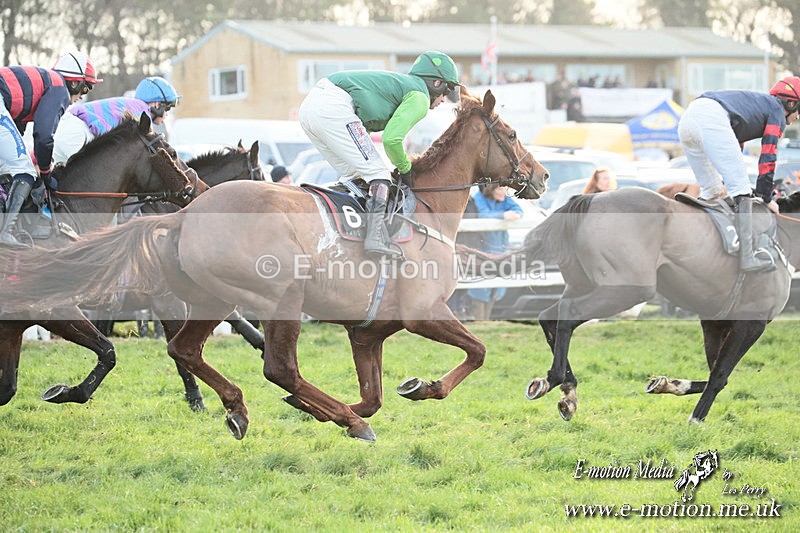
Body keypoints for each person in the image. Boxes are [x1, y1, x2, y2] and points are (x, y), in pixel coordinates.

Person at [298, 51, 460, 257]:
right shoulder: (420, 96)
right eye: (447, 90)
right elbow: (391, 140)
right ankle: (373, 239)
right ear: (436, 84)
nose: (444, 100)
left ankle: (344, 235)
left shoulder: (405, 86)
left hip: (310, 107)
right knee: (379, 174)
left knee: (355, 177)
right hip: (333, 106)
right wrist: (405, 167)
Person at [678, 76, 800, 272]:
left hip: (688, 119)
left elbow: (733, 148)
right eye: (798, 112)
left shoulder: (757, 106)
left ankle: (701, 247)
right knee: (740, 189)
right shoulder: (777, 111)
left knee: (712, 191)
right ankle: (748, 257)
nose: (796, 118)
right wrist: (766, 197)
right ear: (791, 103)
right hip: (710, 117)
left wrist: (736, 183)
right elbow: (768, 155)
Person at [0, 51, 102, 248]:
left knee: (7, 170)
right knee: (25, 171)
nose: (82, 96)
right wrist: (45, 172)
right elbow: (44, 136)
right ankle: (5, 233)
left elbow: (18, 134)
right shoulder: (59, 88)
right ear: (74, 82)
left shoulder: (40, 87)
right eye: (86, 87)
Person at [53, 76, 180, 164]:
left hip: (71, 129)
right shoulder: (141, 112)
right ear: (157, 104)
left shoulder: (135, 106)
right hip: (78, 133)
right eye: (167, 108)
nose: (167, 114)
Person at [466, 184, 523, 320]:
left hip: (500, 249)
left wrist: (514, 215)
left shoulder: (505, 199)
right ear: (490, 189)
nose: (503, 192)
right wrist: (503, 215)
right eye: (499, 189)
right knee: (479, 287)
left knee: (495, 288)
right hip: (482, 249)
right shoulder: (479, 198)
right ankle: (479, 321)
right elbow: (483, 214)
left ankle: (486, 320)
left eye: (505, 189)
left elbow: (519, 210)